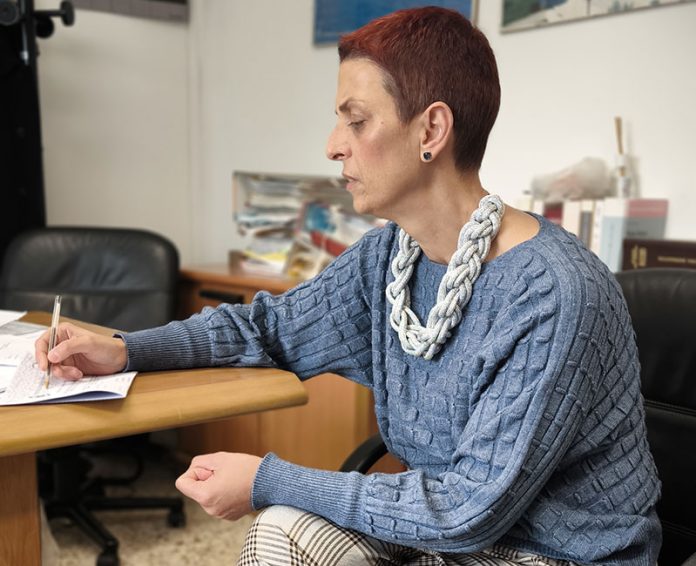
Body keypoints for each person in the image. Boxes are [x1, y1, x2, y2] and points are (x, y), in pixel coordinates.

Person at [35, 7, 661, 565]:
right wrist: (125, 349)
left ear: (431, 131)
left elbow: (467, 511)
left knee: (279, 506)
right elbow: (266, 329)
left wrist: (266, 481)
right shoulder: (388, 258)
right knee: (281, 534)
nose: (333, 146)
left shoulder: (553, 292)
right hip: (445, 538)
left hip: (553, 553)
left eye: (356, 121)